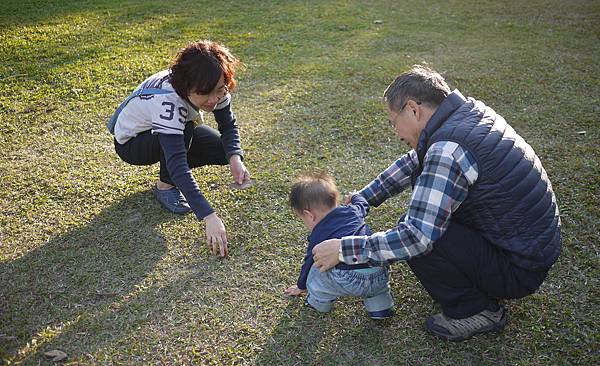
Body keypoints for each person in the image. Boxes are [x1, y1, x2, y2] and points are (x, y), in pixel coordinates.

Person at [312, 66, 561, 341]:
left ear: (413, 109)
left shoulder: (448, 148)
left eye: (394, 122)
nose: (396, 133)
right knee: (429, 223)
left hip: (518, 268)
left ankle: (477, 310)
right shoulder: (467, 115)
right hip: (526, 248)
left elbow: (415, 237)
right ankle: (473, 282)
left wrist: (344, 250)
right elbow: (416, 161)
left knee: (422, 238)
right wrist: (365, 197)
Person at [108, 40, 251, 257]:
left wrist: (235, 158)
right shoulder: (168, 100)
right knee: (182, 132)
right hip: (133, 143)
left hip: (168, 131)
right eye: (205, 93)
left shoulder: (214, 82)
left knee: (223, 150)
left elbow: (228, 125)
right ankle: (165, 187)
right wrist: (209, 216)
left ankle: (178, 165)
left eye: (220, 90)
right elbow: (177, 165)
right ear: (187, 87)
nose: (214, 99)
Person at [284, 172, 394, 319]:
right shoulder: (353, 211)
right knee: (376, 288)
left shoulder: (319, 231)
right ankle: (381, 308)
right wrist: (355, 196)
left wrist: (301, 285)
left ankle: (318, 303)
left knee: (316, 271)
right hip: (378, 271)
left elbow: (310, 260)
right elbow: (363, 204)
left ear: (309, 215)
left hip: (349, 279)